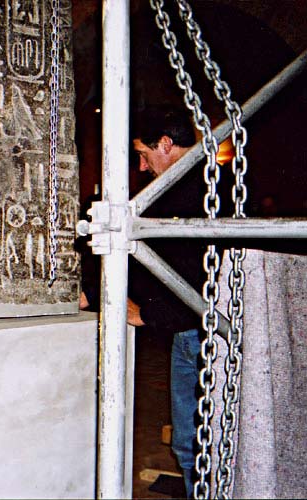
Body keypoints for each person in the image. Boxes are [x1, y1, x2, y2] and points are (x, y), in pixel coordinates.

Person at [129, 106, 228, 498]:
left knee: (200, 444)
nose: (141, 166)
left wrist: (148, 313)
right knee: (190, 445)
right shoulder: (185, 189)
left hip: (204, 333)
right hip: (189, 332)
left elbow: (204, 278)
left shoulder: (201, 191)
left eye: (143, 153)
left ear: (165, 144)